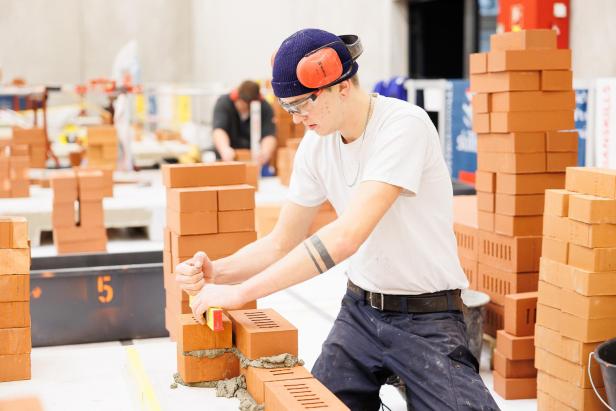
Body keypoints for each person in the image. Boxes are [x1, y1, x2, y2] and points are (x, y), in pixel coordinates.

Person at [175, 28, 499, 410]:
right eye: (289, 108)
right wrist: (220, 272)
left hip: (427, 317)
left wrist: (240, 295)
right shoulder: (317, 145)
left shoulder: (403, 127)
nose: (297, 119)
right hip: (360, 314)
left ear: (341, 86)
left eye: (302, 105)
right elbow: (281, 241)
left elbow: (346, 236)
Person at [212, 79, 277, 166]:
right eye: (242, 103)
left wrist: (265, 152)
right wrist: (225, 149)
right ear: (236, 97)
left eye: (248, 105)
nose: (245, 107)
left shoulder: (264, 107)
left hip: (252, 160)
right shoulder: (223, 103)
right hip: (227, 159)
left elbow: (269, 134)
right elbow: (219, 130)